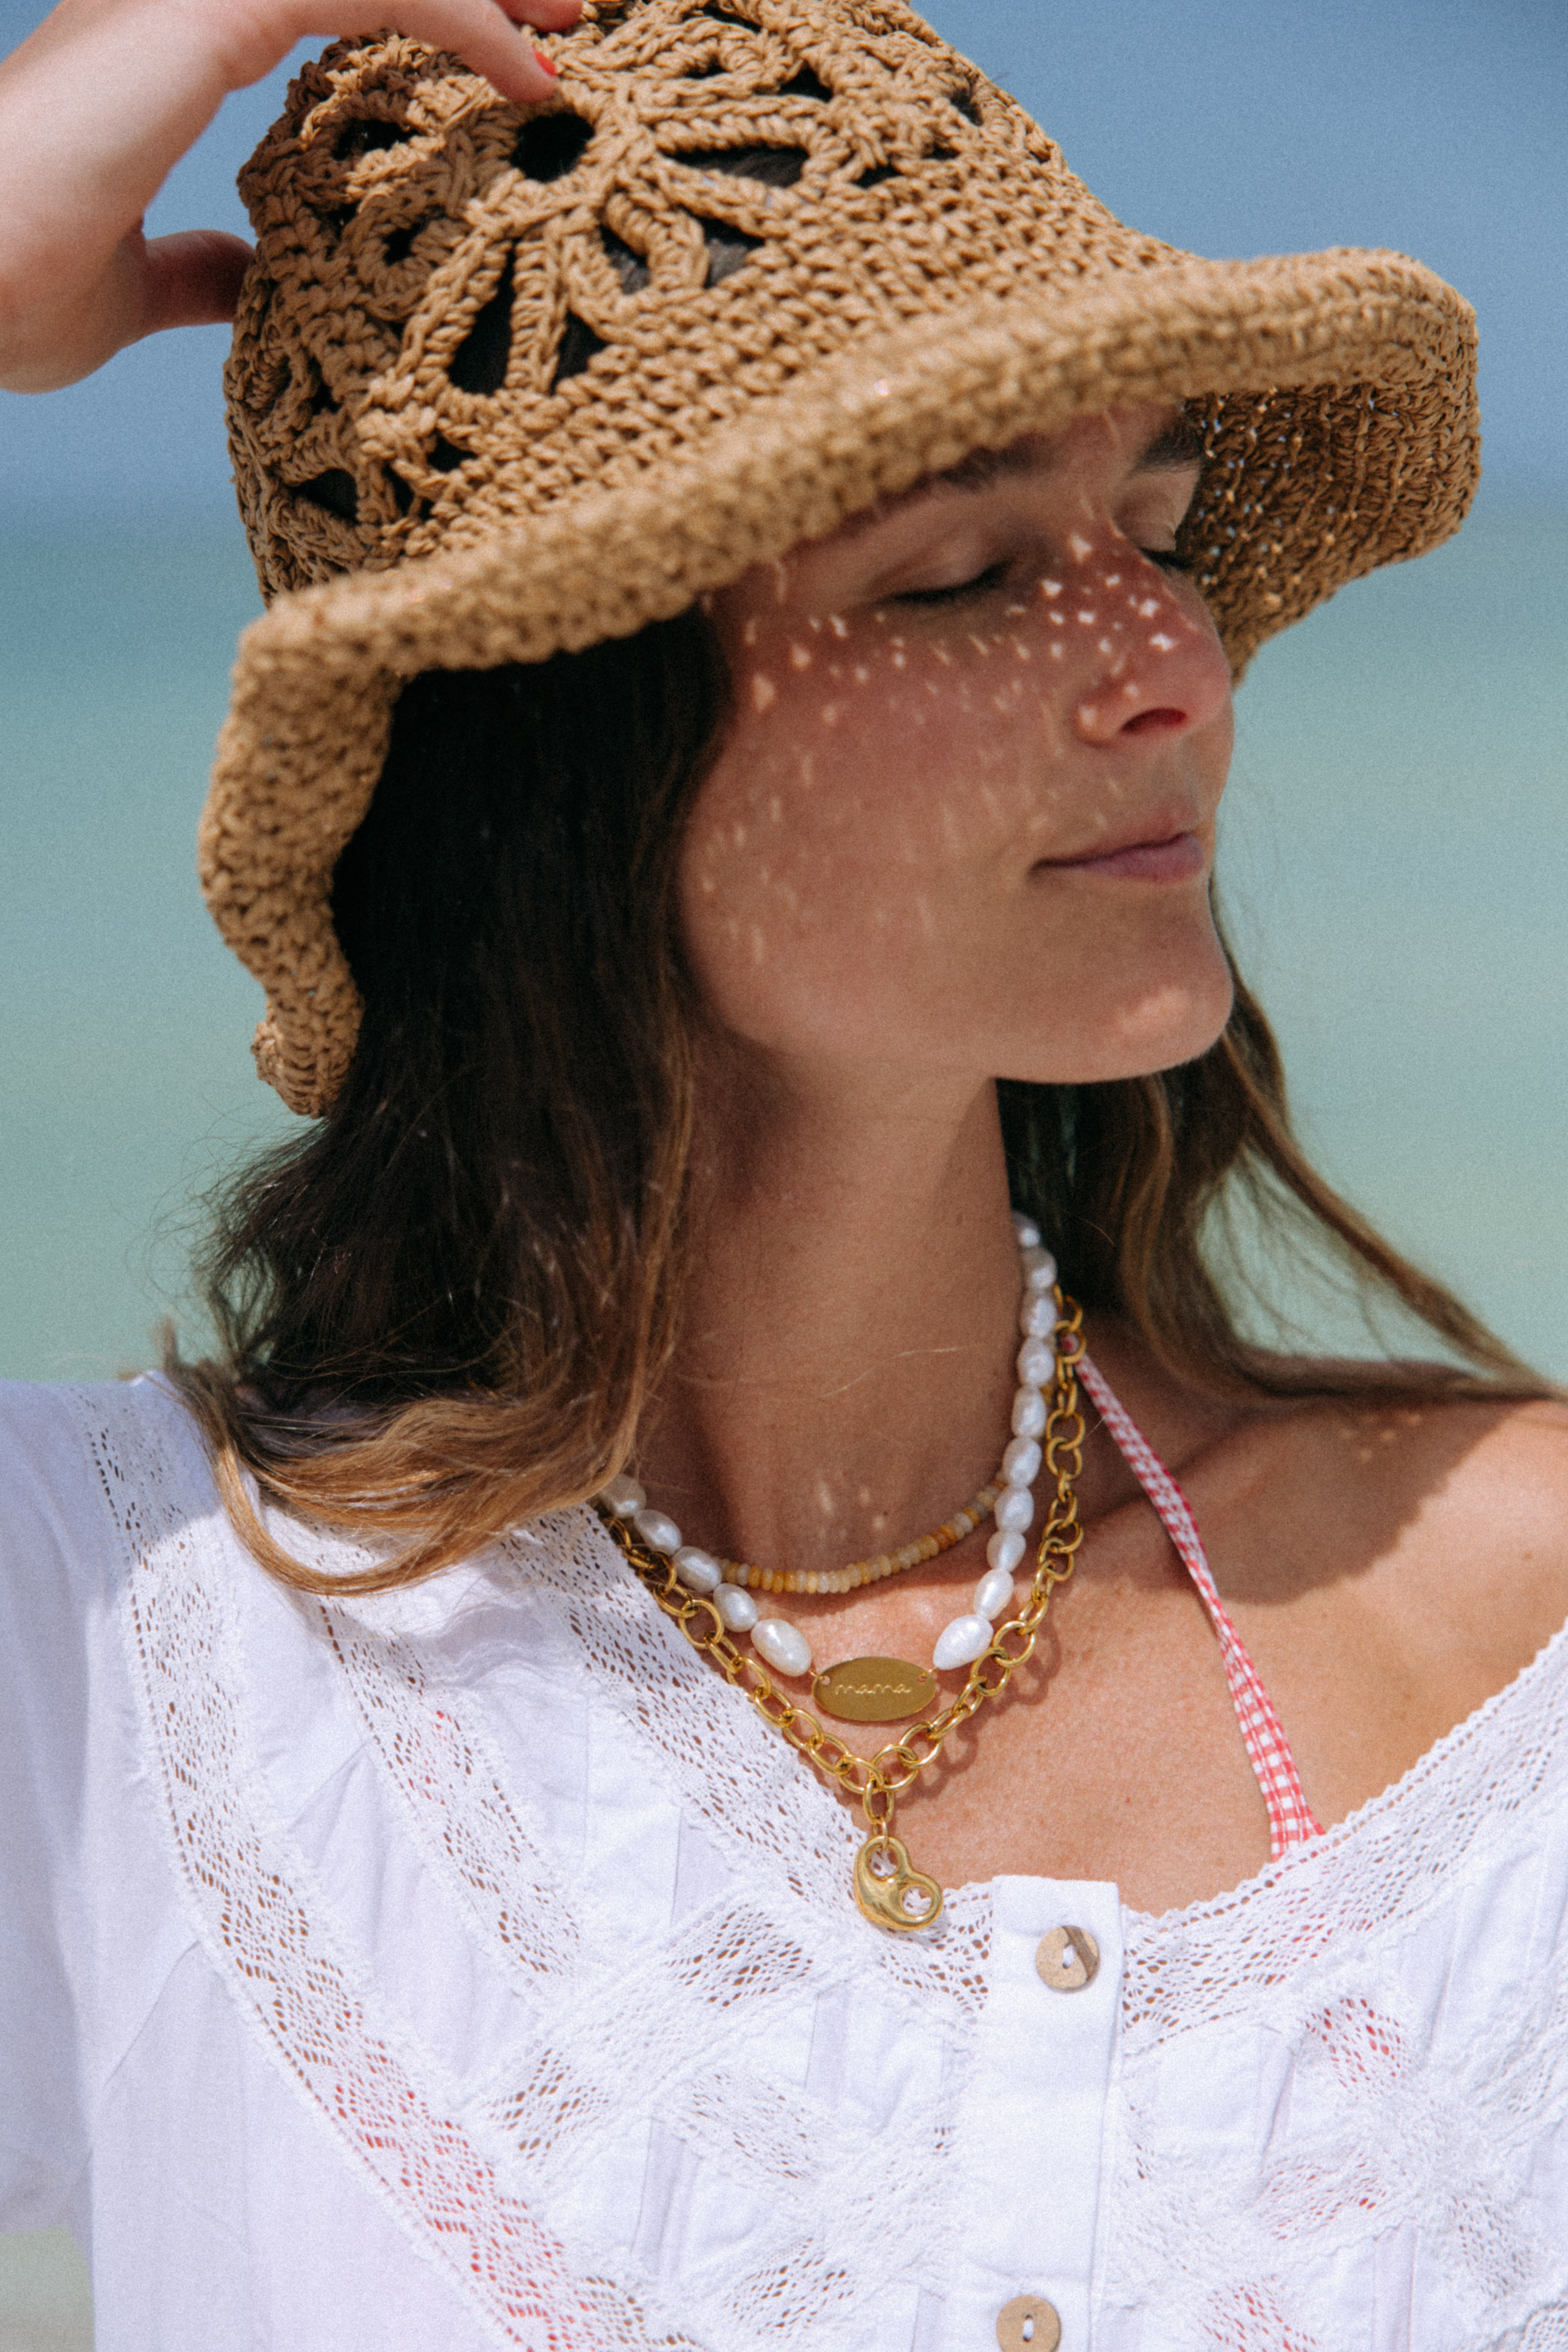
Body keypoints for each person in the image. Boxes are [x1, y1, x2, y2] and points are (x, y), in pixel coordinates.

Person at [3, 0, 1567, 2342]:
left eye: (1148, 525)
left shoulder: (1517, 1613)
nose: (1176, 662)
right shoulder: (120, 1668)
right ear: (547, 744)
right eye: (954, 575)